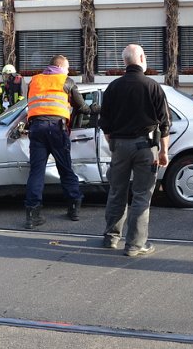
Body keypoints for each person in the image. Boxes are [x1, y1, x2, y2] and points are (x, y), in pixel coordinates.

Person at [98, 45, 170, 256]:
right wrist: (164, 151)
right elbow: (165, 123)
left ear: (124, 62)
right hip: (146, 147)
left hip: (120, 146)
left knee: (117, 192)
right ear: (141, 58)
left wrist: (114, 145)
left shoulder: (113, 87)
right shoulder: (153, 86)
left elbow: (105, 123)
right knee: (141, 195)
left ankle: (111, 238)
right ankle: (135, 245)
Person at [23, 55, 98, 229]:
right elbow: (81, 107)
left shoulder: (34, 80)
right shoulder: (66, 81)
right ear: (60, 66)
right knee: (64, 168)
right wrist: (95, 109)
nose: (67, 71)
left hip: (36, 129)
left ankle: (32, 215)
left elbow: (32, 104)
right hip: (57, 129)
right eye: (67, 68)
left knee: (36, 171)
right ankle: (74, 207)